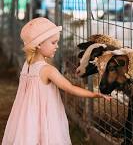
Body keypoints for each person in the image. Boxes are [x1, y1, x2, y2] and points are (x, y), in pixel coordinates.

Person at [2, 17, 112, 145]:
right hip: (46, 117)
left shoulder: (28, 64)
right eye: (53, 43)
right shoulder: (48, 70)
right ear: (39, 44)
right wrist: (95, 94)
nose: (57, 46)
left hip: (27, 117)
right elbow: (70, 88)